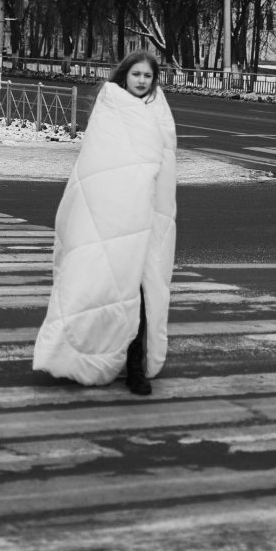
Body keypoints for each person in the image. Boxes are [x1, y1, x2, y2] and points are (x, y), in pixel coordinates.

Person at [34, 50, 177, 396]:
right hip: (111, 215)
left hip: (147, 215)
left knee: (142, 293)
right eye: (136, 74)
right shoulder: (110, 107)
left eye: (147, 75)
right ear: (124, 75)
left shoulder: (160, 111)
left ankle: (135, 368)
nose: (142, 80)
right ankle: (83, 354)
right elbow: (97, 164)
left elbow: (165, 165)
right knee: (103, 290)